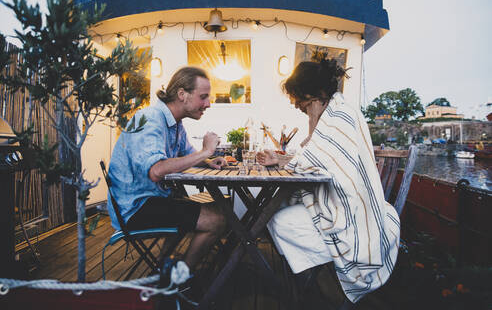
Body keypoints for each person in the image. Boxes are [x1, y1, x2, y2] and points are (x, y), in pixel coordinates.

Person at [257, 58, 400, 305]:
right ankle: (320, 279)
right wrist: (280, 161)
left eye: (300, 98)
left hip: (353, 213)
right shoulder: (331, 114)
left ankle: (325, 282)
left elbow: (321, 163)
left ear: (318, 93)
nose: (296, 104)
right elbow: (317, 158)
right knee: (274, 214)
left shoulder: (341, 114)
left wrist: (308, 131)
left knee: (278, 220)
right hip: (340, 203)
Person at [107, 66, 227, 281]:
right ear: (182, 94)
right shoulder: (150, 119)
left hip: (154, 200)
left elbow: (188, 155)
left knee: (217, 207)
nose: (208, 104)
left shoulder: (175, 124)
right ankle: (180, 280)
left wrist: (209, 160)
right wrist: (206, 151)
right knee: (216, 220)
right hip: (135, 209)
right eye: (203, 97)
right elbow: (156, 171)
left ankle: (163, 268)